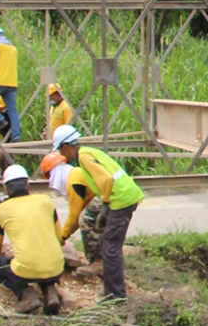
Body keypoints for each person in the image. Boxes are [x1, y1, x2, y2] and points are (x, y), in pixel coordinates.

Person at [52, 125, 142, 302]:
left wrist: (106, 205)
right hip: (123, 196)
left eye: (62, 151)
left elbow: (106, 179)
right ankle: (111, 288)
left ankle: (115, 295)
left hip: (120, 199)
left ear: (66, 146)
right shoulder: (87, 152)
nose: (64, 156)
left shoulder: (84, 157)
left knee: (111, 247)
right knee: (107, 241)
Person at [0, 164, 65, 315]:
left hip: (27, 270)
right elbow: (59, 238)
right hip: (56, 268)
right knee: (43, 264)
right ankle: (49, 290)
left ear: (6, 189)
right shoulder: (46, 201)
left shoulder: (0, 210)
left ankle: (26, 294)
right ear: (28, 185)